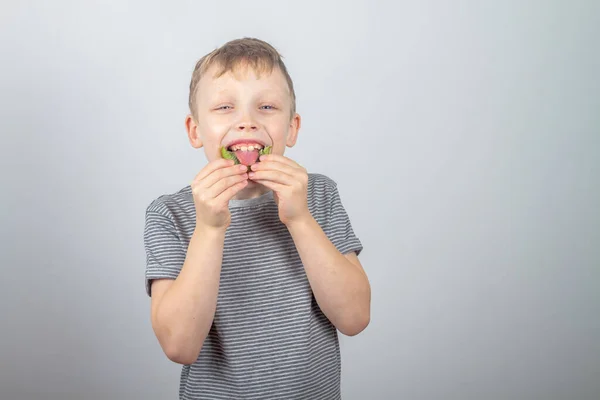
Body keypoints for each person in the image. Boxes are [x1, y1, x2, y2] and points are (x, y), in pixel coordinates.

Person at [143, 37, 371, 399]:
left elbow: (355, 317)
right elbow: (179, 346)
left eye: (266, 106)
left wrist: (299, 218)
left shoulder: (320, 195)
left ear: (292, 128)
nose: (247, 122)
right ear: (195, 130)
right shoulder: (171, 215)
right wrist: (208, 229)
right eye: (224, 107)